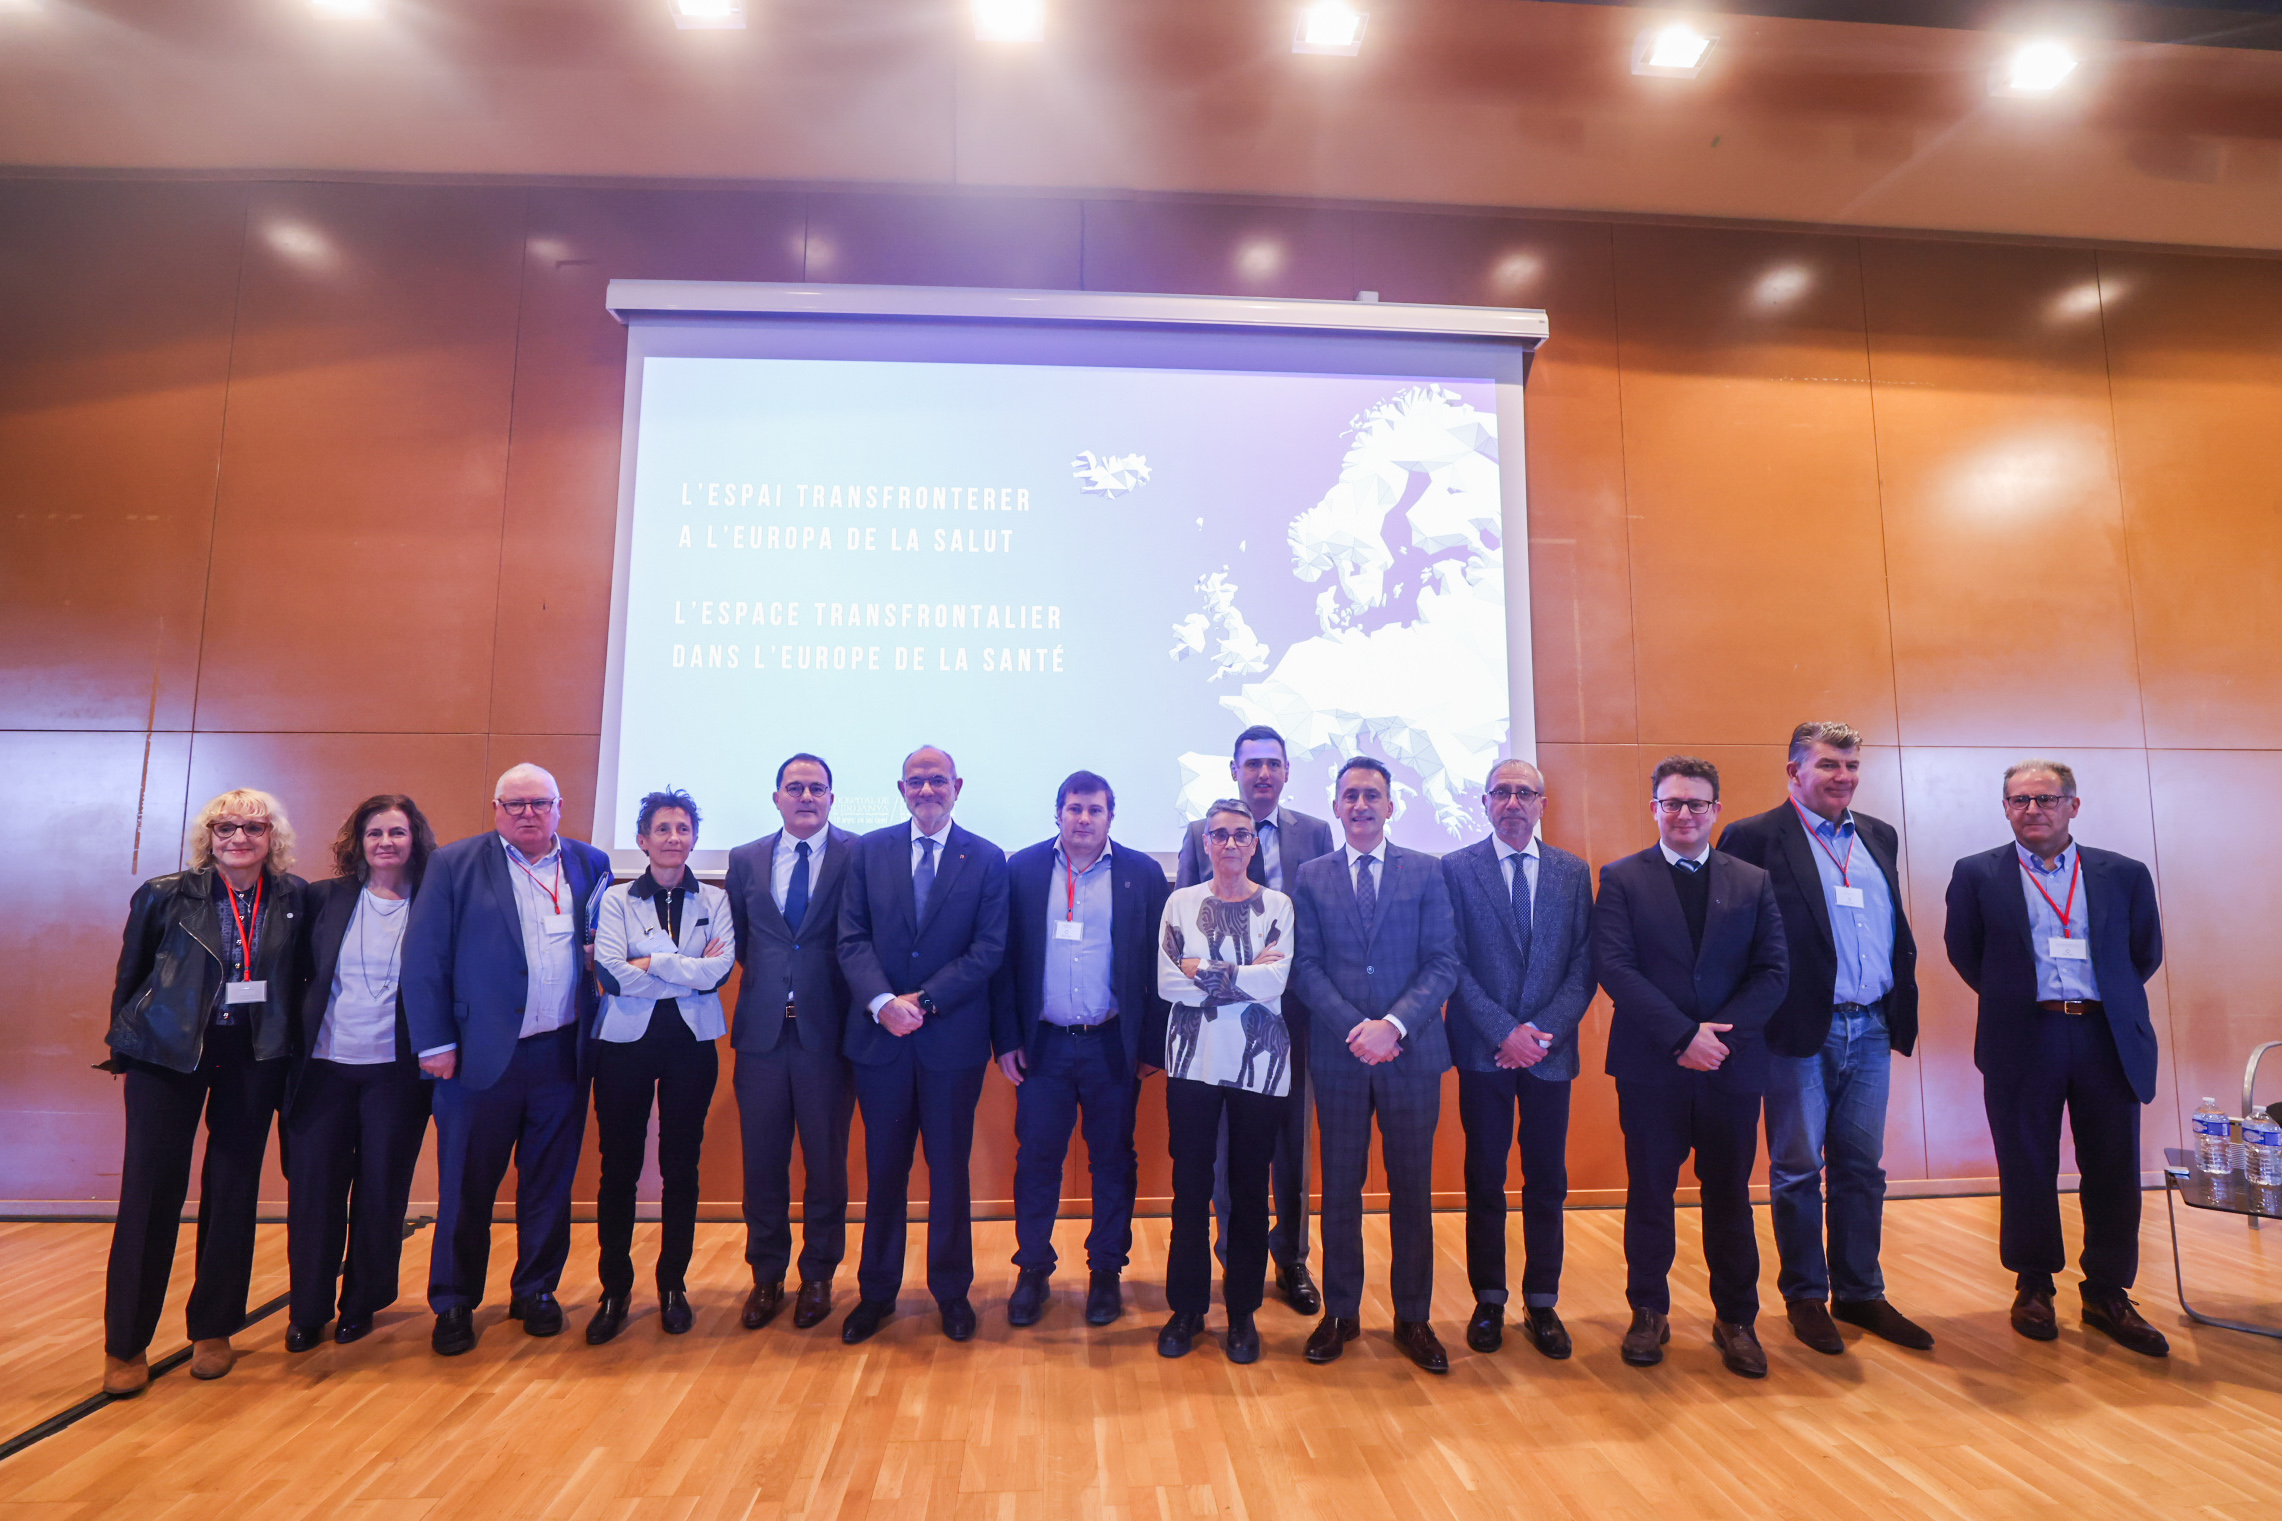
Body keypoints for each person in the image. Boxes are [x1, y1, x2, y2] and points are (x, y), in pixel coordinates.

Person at [1717, 722, 1931, 1356]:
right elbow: (1735, 940)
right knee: (1798, 1168)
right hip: (1795, 1029)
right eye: (1829, 765)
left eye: (1851, 765)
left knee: (1862, 1168)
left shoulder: (1878, 836)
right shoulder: (1754, 838)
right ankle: (1806, 1296)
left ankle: (1861, 1292)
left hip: (1869, 1024)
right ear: (1793, 772)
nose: (1843, 776)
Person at [1943, 759, 2168, 1356]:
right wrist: (2021, 996)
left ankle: (2107, 1293)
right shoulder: (1976, 874)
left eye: (2045, 799)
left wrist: (2100, 1000)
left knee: (2114, 1169)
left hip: (2105, 1037)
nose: (2032, 810)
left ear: (2073, 804)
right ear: (2006, 808)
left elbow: (2142, 953)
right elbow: (1966, 953)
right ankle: (2034, 1284)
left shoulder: (2123, 874)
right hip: (2024, 1034)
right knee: (2026, 1165)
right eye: (2019, 800)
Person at [100, 789, 306, 1395]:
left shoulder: (296, 899)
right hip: (166, 1055)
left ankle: (214, 1329)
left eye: (252, 827)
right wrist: (126, 1050)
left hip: (254, 1055)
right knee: (149, 1193)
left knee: (233, 1189)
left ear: (273, 837)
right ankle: (126, 1344)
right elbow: (130, 976)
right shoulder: (164, 894)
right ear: (207, 835)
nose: (237, 838)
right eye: (224, 827)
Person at [404, 763, 612, 1357]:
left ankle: (536, 1291)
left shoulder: (589, 863)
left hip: (562, 1053)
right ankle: (453, 1301)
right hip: (477, 1059)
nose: (527, 813)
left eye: (538, 803)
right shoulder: (454, 864)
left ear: (559, 806)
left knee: (549, 1184)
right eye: (514, 803)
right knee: (465, 1187)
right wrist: (434, 1044)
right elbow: (424, 960)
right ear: (496, 809)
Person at [1593, 756, 1788, 1379]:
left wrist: (1717, 1040)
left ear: (1715, 811)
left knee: (1729, 1195)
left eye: (1696, 804)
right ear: (1653, 809)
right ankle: (1648, 1311)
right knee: (1650, 1192)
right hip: (1652, 1065)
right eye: (1672, 803)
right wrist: (1682, 1036)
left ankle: (1736, 1319)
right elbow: (1615, 967)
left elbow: (1773, 972)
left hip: (1730, 1067)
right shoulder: (1622, 878)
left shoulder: (1753, 881)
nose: (1683, 814)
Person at [1290, 756, 1460, 1373]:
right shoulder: (1310, 876)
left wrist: (1392, 1026)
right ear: (1335, 808)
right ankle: (1340, 1313)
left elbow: (1444, 962)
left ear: (1391, 806)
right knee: (1339, 1190)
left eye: (1372, 796)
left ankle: (1413, 1317)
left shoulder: (1427, 871)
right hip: (1339, 1057)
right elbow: (1304, 966)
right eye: (1350, 796)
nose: (1361, 806)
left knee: (1412, 1190)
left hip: (1410, 1055)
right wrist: (1353, 1029)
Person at [836, 745, 1010, 1344]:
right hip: (880, 1041)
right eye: (916, 781)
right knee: (883, 1172)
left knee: (949, 1174)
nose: (927, 789)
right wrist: (885, 1004)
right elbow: (851, 939)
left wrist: (925, 1002)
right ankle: (877, 1293)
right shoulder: (868, 852)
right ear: (901, 788)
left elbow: (989, 950)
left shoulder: (987, 858)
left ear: (957, 785)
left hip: (949, 1044)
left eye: (937, 780)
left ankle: (951, 1293)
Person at [993, 770, 1171, 1331]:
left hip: (1110, 1046)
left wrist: (1150, 1045)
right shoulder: (1021, 869)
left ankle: (1105, 1272)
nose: (1084, 819)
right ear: (1058, 813)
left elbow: (1160, 965)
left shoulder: (1142, 873)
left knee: (1113, 1162)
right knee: (1037, 1161)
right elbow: (1003, 962)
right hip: (1042, 1046)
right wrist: (1007, 1039)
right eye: (1074, 808)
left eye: (1095, 810)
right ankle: (1033, 1269)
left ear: (1111, 816)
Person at [1173, 724, 1334, 1316]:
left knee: (1291, 1144)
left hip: (1290, 1015)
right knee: (1223, 1146)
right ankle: (1229, 1256)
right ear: (1234, 771)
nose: (1263, 773)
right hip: (1218, 1018)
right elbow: (1191, 923)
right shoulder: (1199, 834)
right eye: (1252, 764)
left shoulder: (1314, 833)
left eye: (1273, 763)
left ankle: (1291, 1259)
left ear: (1288, 771)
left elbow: (1316, 925)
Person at [1440, 758, 1595, 1360]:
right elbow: (1450, 960)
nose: (1513, 802)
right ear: (1483, 803)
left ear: (1542, 804)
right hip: (1484, 1053)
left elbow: (1585, 965)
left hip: (1550, 1057)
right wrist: (1504, 1031)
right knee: (1485, 1176)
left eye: (1524, 792)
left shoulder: (1572, 872)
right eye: (1501, 792)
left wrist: (1540, 1032)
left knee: (1546, 1180)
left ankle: (1542, 1299)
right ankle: (1489, 1296)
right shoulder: (1456, 870)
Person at [282, 794, 438, 1353]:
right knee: (314, 1193)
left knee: (380, 1192)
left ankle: (360, 1304)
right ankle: (307, 1310)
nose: (386, 843)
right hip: (324, 1069)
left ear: (415, 839)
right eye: (375, 834)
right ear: (358, 842)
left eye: (397, 833)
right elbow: (294, 977)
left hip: (395, 1075)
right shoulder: (324, 898)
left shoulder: (432, 903)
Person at [586, 788, 735, 1344]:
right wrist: (682, 967)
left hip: (692, 1044)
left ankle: (673, 1285)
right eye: (663, 829)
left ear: (694, 838)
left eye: (683, 829)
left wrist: (653, 962)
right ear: (642, 840)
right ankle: (614, 1288)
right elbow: (612, 972)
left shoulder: (715, 900)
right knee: (617, 1167)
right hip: (625, 1042)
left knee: (682, 1166)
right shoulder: (618, 898)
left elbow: (719, 971)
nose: (674, 839)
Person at [1153, 799, 1297, 1363]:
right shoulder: (1179, 904)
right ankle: (1186, 1307)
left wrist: (1204, 971)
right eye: (1220, 835)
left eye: (1241, 835)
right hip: (1192, 1064)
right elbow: (1169, 982)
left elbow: (1278, 979)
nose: (1231, 844)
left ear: (1254, 844)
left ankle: (1242, 1311)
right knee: (1190, 1187)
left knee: (1247, 1191)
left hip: (1260, 1067)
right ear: (1205, 843)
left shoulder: (1279, 905)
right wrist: (1245, 973)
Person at [724, 754, 857, 1332]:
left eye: (817, 788)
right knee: (763, 1162)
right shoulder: (745, 859)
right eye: (795, 788)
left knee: (826, 1161)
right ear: (775, 796)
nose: (806, 796)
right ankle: (767, 1275)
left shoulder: (859, 854)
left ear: (833, 798)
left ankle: (820, 1273)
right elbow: (744, 943)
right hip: (760, 1034)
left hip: (828, 1034)